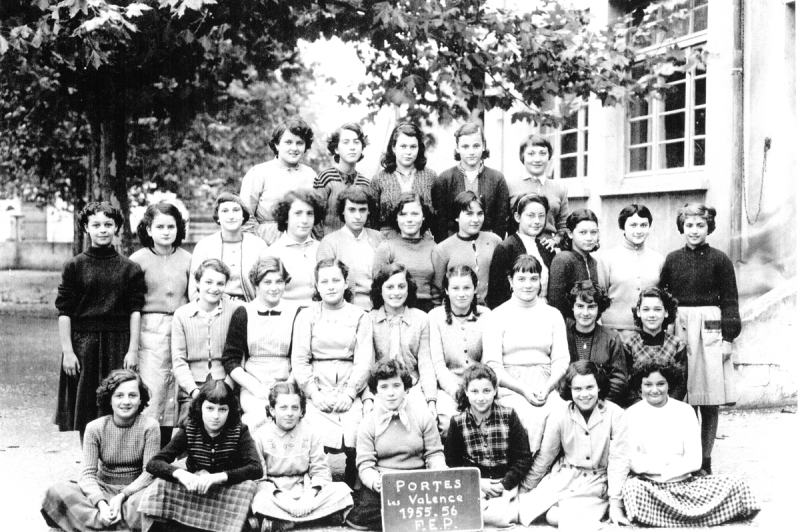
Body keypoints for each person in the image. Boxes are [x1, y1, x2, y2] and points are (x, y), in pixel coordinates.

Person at [622, 360, 760, 527]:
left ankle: (667, 518)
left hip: (687, 485)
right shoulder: (631, 414)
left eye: (661, 384)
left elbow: (694, 460)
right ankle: (700, 517)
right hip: (651, 486)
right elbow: (633, 461)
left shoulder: (685, 411)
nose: (655, 390)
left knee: (736, 483)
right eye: (648, 385)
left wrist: (671, 472)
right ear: (640, 386)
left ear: (669, 385)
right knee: (632, 490)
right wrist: (661, 472)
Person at [659, 203, 741, 475]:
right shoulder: (672, 259)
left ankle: (705, 460)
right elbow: (662, 298)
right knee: (683, 397)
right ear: (682, 227)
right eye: (689, 225)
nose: (694, 231)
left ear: (709, 228)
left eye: (700, 225)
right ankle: (687, 458)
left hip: (710, 330)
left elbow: (730, 301)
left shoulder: (720, 260)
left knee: (707, 399)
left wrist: (728, 338)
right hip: (680, 328)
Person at [55, 202, 146, 439]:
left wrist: (132, 350)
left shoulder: (129, 268)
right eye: (96, 225)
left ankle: (115, 461)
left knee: (118, 400)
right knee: (85, 405)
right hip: (84, 345)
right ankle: (89, 464)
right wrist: (68, 351)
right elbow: (64, 311)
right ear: (86, 228)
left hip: (118, 343)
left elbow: (135, 310)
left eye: (108, 224)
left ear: (116, 227)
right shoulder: (74, 266)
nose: (102, 229)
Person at [42, 369, 159, 532]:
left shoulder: (150, 426)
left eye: (132, 395)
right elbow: (87, 474)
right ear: (109, 399)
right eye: (119, 395)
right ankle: (110, 523)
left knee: (153, 499)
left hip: (135, 492)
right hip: (102, 489)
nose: (126, 401)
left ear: (141, 400)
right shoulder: (94, 428)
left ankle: (90, 525)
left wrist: (123, 495)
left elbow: (149, 473)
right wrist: (101, 504)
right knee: (57, 491)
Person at [291, 259, 374, 489]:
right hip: (317, 386)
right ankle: (317, 478)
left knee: (359, 424)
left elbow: (364, 360)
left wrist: (350, 393)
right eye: (324, 281)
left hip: (351, 386)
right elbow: (299, 360)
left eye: (336, 280)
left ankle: (355, 471)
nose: (330, 286)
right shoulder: (307, 316)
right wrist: (314, 394)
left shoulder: (360, 317)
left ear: (346, 284)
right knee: (310, 427)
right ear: (316, 286)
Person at [140, 380, 262, 532]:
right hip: (196, 486)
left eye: (222, 409)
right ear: (200, 407)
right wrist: (181, 474)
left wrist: (218, 477)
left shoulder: (239, 430)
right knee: (159, 483)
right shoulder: (190, 428)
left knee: (249, 487)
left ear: (230, 410)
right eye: (210, 408)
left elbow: (256, 468)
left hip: (225, 489)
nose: (216, 416)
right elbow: (154, 463)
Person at [519, 361, 629, 528]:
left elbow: (618, 461)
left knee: (555, 517)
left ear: (599, 387)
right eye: (577, 389)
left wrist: (616, 505)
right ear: (570, 390)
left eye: (589, 387)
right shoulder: (559, 415)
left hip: (595, 483)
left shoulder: (616, 414)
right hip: (564, 478)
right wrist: (525, 489)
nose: (584, 394)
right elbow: (545, 457)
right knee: (523, 509)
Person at [483, 255, 569, 459]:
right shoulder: (497, 315)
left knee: (562, 415)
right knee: (527, 416)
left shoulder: (553, 314)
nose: (528, 285)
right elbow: (492, 364)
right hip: (510, 386)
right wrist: (522, 390)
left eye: (533, 278)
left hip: (547, 384)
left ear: (541, 281)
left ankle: (542, 476)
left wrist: (547, 387)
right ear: (511, 282)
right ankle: (521, 475)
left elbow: (561, 360)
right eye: (521, 279)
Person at [345, 359, 446, 531]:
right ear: (376, 391)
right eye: (384, 387)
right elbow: (365, 465)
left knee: (443, 510)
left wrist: (439, 468)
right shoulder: (368, 422)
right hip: (384, 484)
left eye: (396, 386)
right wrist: (375, 482)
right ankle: (406, 518)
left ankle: (404, 518)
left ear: (406, 388)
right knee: (361, 517)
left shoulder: (423, 416)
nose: (391, 393)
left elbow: (434, 453)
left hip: (417, 482)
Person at [251, 382, 353, 530]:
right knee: (259, 500)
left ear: (302, 410)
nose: (289, 413)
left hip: (305, 490)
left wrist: (309, 496)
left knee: (342, 491)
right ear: (272, 410)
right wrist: (285, 500)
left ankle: (284, 522)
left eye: (295, 408)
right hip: (276, 495)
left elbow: (321, 471)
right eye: (283, 408)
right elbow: (259, 479)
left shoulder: (311, 434)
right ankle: (315, 518)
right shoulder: (260, 437)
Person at [130, 202, 192, 444]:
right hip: (149, 330)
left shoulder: (188, 258)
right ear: (148, 229)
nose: (166, 232)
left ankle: (166, 452)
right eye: (160, 226)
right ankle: (145, 453)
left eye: (171, 226)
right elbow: (131, 303)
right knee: (153, 391)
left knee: (175, 391)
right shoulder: (138, 259)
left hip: (180, 326)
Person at [444, 363, 532, 528]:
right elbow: (452, 463)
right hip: (474, 483)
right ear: (466, 392)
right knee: (465, 510)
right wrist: (477, 482)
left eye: (486, 391)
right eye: (474, 391)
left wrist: (505, 483)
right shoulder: (457, 422)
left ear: (495, 391)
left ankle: (491, 513)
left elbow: (523, 458)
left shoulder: (509, 416)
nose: (481, 397)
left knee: (502, 516)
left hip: (504, 483)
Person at [222, 257, 302, 431]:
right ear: (256, 285)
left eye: (279, 281)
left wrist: (287, 387)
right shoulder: (244, 313)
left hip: (287, 384)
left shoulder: (296, 313)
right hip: (253, 388)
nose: (274, 288)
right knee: (256, 421)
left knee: (287, 418)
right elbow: (231, 359)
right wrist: (255, 387)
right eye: (267, 282)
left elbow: (301, 357)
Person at [172, 259, 240, 424]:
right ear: (197, 282)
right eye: (208, 282)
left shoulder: (235, 310)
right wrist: (195, 392)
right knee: (189, 426)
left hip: (225, 383)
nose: (214, 288)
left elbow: (239, 355)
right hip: (193, 388)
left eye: (220, 283)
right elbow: (179, 361)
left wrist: (227, 388)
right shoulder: (181, 315)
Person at [367, 263, 436, 416]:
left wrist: (431, 400)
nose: (396, 293)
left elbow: (425, 364)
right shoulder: (369, 320)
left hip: (412, 387)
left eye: (401, 286)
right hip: (380, 388)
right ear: (380, 290)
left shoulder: (421, 319)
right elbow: (367, 363)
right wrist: (368, 398)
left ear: (408, 288)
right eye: (390, 287)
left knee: (421, 417)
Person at [429, 265, 490, 434]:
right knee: (449, 423)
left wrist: (477, 390)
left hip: (481, 387)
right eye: (455, 288)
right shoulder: (435, 317)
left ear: (475, 289)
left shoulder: (486, 316)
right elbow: (438, 365)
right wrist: (457, 392)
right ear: (447, 291)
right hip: (449, 389)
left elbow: (488, 360)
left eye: (467, 288)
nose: (461, 294)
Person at [240, 117, 317, 245]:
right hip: (266, 242)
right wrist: (255, 246)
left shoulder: (310, 175)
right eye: (288, 142)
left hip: (302, 241)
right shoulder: (259, 173)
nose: (294, 148)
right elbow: (245, 215)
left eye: (299, 143)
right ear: (277, 144)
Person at [431, 122, 510, 242]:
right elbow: (440, 223)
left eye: (476, 146)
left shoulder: (497, 178)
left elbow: (501, 221)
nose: (471, 152)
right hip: (453, 244)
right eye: (465, 147)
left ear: (483, 146)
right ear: (457, 148)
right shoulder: (445, 179)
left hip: (487, 244)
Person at [599, 204, 665, 340]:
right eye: (633, 225)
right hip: (614, 332)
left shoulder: (658, 259)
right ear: (623, 227)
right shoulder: (608, 258)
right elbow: (600, 297)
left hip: (649, 332)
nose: (639, 230)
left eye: (643, 225)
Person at [189, 192, 268, 302]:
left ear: (243, 216)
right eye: (225, 211)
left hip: (250, 308)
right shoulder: (204, 246)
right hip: (213, 309)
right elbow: (194, 291)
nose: (231, 216)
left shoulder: (258, 245)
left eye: (236, 210)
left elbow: (266, 285)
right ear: (218, 218)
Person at [317, 186, 385, 311]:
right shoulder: (329, 243)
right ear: (342, 211)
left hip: (379, 310)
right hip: (344, 310)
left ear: (369, 211)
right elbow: (327, 283)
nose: (358, 216)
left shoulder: (379, 239)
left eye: (362, 210)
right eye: (352, 210)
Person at [486, 193, 556, 309]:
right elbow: (496, 296)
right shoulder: (506, 248)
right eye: (531, 215)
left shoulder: (546, 248)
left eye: (541, 216)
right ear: (517, 217)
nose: (537, 221)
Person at [372, 192, 440, 312]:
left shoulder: (434, 248)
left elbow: (437, 290)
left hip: (426, 310)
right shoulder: (386, 248)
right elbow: (377, 288)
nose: (409, 220)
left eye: (415, 214)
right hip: (396, 308)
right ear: (396, 218)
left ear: (423, 216)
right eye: (403, 214)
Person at [432, 190, 502, 305]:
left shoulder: (495, 241)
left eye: (480, 213)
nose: (475, 220)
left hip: (490, 313)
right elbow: (437, 291)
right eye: (469, 214)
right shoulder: (443, 249)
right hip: (457, 315)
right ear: (456, 217)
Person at [623, 287, 688, 408]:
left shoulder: (677, 344)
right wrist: (642, 407)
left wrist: (666, 406)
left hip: (669, 408)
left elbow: (681, 384)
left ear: (666, 312)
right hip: (640, 409)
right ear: (638, 312)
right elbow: (628, 385)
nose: (651, 315)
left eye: (657, 309)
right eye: (646, 309)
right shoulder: (629, 345)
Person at [564, 281, 627, 405]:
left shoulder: (611, 337)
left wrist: (599, 401)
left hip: (601, 404)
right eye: (580, 306)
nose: (585, 313)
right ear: (573, 306)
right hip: (567, 403)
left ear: (599, 308)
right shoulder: (562, 335)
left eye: (591, 306)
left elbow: (619, 379)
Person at [369, 122, 438, 236]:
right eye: (403, 146)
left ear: (419, 148)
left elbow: (437, 217)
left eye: (413, 147)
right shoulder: (379, 179)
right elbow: (371, 219)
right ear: (393, 148)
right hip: (388, 242)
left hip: (422, 242)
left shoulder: (430, 177)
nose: (408, 152)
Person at [505, 134, 568, 250]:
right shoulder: (509, 186)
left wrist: (555, 241)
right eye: (531, 154)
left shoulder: (559, 189)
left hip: (548, 249)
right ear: (522, 156)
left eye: (543, 153)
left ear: (549, 156)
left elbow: (563, 226)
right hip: (518, 249)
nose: (537, 159)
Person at [265, 189, 324, 306]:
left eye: (310, 213)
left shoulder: (323, 249)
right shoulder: (272, 254)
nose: (304, 220)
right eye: (298, 213)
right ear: (286, 217)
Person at [313, 123, 372, 238]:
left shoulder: (365, 184)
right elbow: (315, 220)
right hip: (329, 248)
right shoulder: (325, 178)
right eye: (346, 142)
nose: (352, 147)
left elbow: (369, 223)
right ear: (336, 149)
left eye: (356, 142)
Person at [547, 208, 602, 320]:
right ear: (570, 234)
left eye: (593, 232)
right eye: (582, 232)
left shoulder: (593, 262)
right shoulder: (563, 259)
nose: (589, 238)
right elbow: (556, 304)